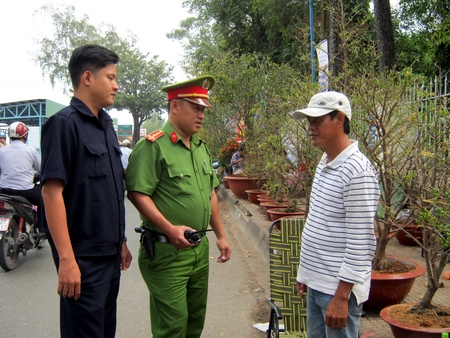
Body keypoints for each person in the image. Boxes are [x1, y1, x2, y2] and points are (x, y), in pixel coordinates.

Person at [125, 75, 232, 338]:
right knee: (172, 327)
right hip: (167, 250)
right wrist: (169, 228)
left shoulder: (200, 148)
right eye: (196, 108)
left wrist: (220, 235)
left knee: (195, 321)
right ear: (174, 106)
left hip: (198, 249)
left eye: (203, 109)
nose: (202, 115)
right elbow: (137, 193)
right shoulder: (152, 146)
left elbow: (210, 194)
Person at [40, 44, 132, 338]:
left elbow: (108, 191)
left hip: (109, 258)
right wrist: (66, 260)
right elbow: (51, 193)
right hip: (82, 262)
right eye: (111, 77)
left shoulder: (106, 126)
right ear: (88, 78)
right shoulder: (63, 125)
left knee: (105, 332)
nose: (116, 85)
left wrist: (121, 241)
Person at [292, 91, 380, 338]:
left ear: (340, 119)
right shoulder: (325, 162)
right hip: (316, 284)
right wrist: (305, 273)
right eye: (309, 121)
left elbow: (361, 241)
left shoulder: (358, 171)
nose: (311, 127)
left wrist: (342, 297)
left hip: (337, 292)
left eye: (317, 120)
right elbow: (318, 222)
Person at [0, 122, 44, 234]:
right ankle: (42, 228)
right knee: (45, 200)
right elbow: (41, 169)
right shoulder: (31, 151)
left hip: (4, 190)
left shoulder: (2, 151)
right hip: (25, 191)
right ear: (25, 135)